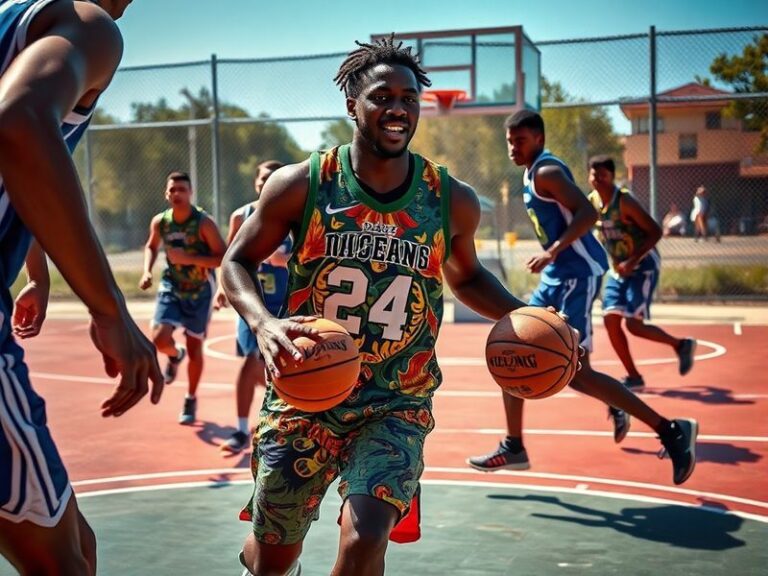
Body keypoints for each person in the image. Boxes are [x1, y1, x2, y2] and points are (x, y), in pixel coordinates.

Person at [221, 35, 535, 576]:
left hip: (396, 398)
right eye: (382, 96)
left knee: (366, 536)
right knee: (273, 556)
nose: (398, 108)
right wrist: (264, 322)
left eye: (409, 98)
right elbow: (235, 262)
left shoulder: (447, 198)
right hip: (305, 389)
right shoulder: (303, 184)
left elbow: (469, 277)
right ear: (352, 104)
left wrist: (528, 319)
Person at [0, 1, 164, 574]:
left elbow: (24, 169)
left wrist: (38, 274)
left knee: (76, 545)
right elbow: (19, 123)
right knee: (65, 561)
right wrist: (109, 309)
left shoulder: (12, 24)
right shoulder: (91, 26)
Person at [467, 111, 698, 488]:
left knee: (576, 370)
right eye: (509, 141)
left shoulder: (546, 173)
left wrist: (553, 251)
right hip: (560, 276)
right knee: (511, 347)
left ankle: (671, 430)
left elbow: (588, 212)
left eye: (520, 140)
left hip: (577, 274)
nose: (513, 147)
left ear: (538, 139)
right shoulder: (531, 173)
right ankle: (515, 445)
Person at [587, 155, 697, 390]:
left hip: (643, 266)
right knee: (610, 319)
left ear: (612, 177)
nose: (598, 180)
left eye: (602, 176)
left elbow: (656, 231)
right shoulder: (592, 203)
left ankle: (680, 345)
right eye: (594, 176)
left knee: (634, 325)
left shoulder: (624, 201)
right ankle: (633, 376)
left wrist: (633, 259)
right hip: (619, 269)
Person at [214, 160, 292, 454]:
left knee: (283, 371)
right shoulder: (242, 216)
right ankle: (239, 428)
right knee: (250, 361)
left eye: (273, 178)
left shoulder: (294, 214)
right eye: (262, 179)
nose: (266, 183)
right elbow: (230, 259)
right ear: (255, 183)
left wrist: (283, 259)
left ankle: (286, 411)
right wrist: (222, 290)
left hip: (285, 303)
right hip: (252, 301)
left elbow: (307, 255)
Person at [139, 171, 226, 425]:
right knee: (158, 338)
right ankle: (174, 355)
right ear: (166, 194)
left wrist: (190, 259)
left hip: (199, 290)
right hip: (172, 286)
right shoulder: (161, 223)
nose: (177, 194)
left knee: (195, 347)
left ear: (190, 193)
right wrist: (146, 270)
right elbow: (151, 246)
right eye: (172, 190)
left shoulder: (203, 223)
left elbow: (222, 256)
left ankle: (190, 397)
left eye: (182, 189)